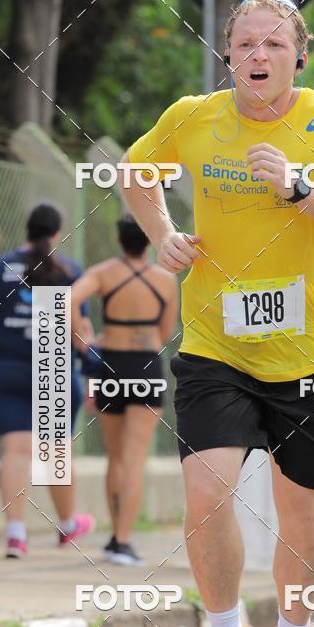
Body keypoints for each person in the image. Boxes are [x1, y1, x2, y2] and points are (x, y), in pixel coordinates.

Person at [120, 0, 314, 627]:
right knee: (206, 495)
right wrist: (163, 234)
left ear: (299, 57)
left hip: (307, 354)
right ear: (228, 55)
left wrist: (301, 189)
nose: (258, 55)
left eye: (274, 43)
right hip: (215, 347)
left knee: (303, 516)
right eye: (244, 44)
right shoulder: (193, 118)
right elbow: (135, 173)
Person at [0, 201, 95, 557]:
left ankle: (15, 534)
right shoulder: (68, 269)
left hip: (8, 368)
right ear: (57, 232)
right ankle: (68, 525)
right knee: (55, 451)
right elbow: (79, 331)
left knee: (15, 450)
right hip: (54, 368)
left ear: (27, 229)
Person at [70, 213, 178, 565]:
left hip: (110, 365)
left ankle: (115, 535)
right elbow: (165, 332)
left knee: (115, 457)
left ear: (119, 240)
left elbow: (66, 300)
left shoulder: (104, 272)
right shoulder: (166, 279)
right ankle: (124, 540)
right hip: (146, 366)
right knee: (135, 458)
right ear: (148, 239)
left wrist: (84, 340)